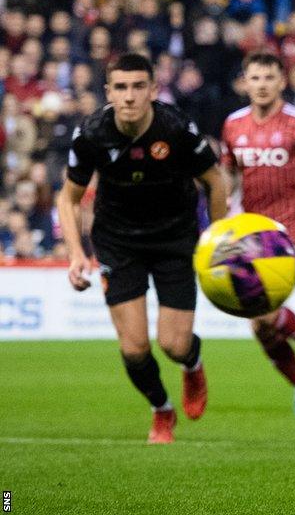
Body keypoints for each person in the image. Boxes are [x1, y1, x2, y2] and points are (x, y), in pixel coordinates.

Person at [55, 53, 228, 444]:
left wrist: (217, 238)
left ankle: (192, 362)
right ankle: (162, 410)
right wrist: (76, 254)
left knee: (174, 344)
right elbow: (68, 199)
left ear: (153, 90)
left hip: (175, 239)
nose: (129, 96)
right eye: (120, 87)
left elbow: (216, 183)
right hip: (119, 242)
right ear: (108, 92)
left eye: (137, 87)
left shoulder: (177, 129)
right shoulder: (92, 134)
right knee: (134, 349)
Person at [220, 52, 295, 417]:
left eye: (268, 78)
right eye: (254, 78)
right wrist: (226, 209)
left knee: (264, 313)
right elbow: (228, 171)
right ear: (245, 82)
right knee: (261, 329)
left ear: (281, 82)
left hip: (290, 230)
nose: (261, 85)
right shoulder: (233, 125)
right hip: (249, 229)